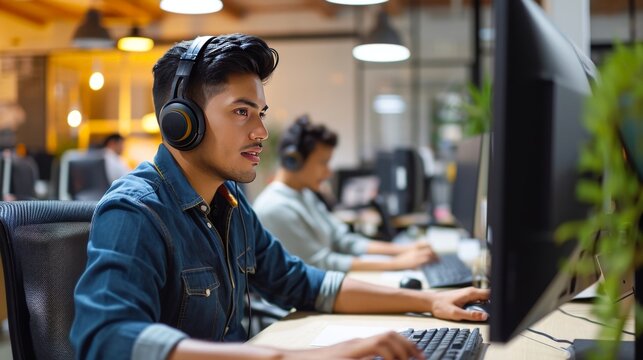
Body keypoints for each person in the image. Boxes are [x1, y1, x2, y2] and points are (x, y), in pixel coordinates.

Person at [70, 34, 488, 360]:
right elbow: (106, 339)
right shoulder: (135, 210)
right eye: (241, 112)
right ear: (182, 122)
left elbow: (302, 282)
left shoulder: (229, 201)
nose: (261, 133)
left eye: (261, 114)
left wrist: (429, 300)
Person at [254, 116, 437, 272]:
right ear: (293, 161)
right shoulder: (275, 207)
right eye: (323, 163)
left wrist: (402, 250)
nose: (329, 172)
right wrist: (397, 264)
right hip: (292, 308)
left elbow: (342, 240)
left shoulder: (303, 194)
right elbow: (318, 263)